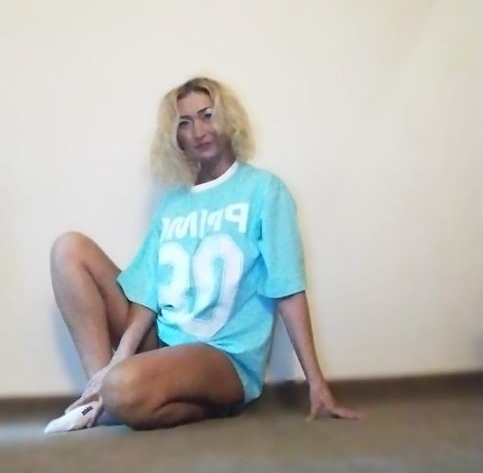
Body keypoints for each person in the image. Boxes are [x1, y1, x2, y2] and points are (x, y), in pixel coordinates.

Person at [50, 77, 360, 431]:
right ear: (175, 138)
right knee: (68, 249)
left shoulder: (264, 190)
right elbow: (148, 292)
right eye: (184, 123)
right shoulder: (173, 203)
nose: (198, 131)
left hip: (222, 355)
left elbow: (287, 287)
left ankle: (121, 395)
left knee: (124, 388)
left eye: (207, 115)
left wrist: (316, 382)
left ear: (227, 118)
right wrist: (117, 360)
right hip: (165, 343)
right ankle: (96, 398)